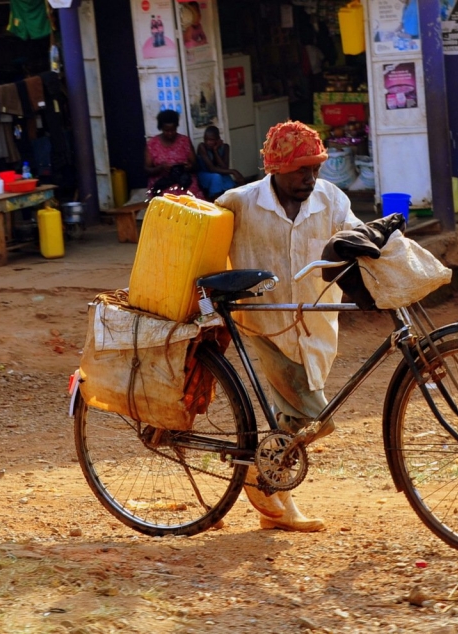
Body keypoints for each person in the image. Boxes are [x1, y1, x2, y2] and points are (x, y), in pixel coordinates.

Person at [216, 121, 363, 532]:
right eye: (301, 170)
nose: (310, 178)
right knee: (314, 414)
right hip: (264, 320)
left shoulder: (330, 199)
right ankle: (259, 480)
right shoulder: (239, 202)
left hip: (316, 322)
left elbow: (352, 235)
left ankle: (270, 493)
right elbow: (204, 241)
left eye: (315, 168)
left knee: (291, 416)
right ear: (275, 169)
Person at [145, 109, 203, 200]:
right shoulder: (152, 144)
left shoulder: (185, 141)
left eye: (173, 130)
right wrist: (160, 168)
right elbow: (146, 169)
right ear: (161, 128)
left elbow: (195, 165)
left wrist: (189, 167)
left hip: (183, 180)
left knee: (192, 196)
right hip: (162, 182)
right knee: (169, 198)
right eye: (166, 130)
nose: (170, 133)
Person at [196, 126, 244, 200]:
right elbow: (211, 168)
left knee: (234, 183)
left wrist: (215, 151)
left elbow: (225, 167)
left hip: (219, 173)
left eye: (211, 140)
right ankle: (214, 199)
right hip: (204, 174)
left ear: (218, 139)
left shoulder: (225, 147)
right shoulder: (202, 147)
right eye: (206, 139)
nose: (208, 142)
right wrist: (233, 171)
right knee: (216, 177)